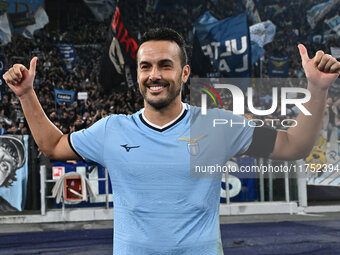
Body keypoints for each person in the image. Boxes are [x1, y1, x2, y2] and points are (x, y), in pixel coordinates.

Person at [3, 27, 340, 254]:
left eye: (165, 65)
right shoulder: (110, 130)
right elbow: (53, 146)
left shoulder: (218, 125)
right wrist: (26, 94)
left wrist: (317, 90)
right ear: (137, 73)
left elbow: (295, 145)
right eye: (146, 66)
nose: (154, 75)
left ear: (184, 73)